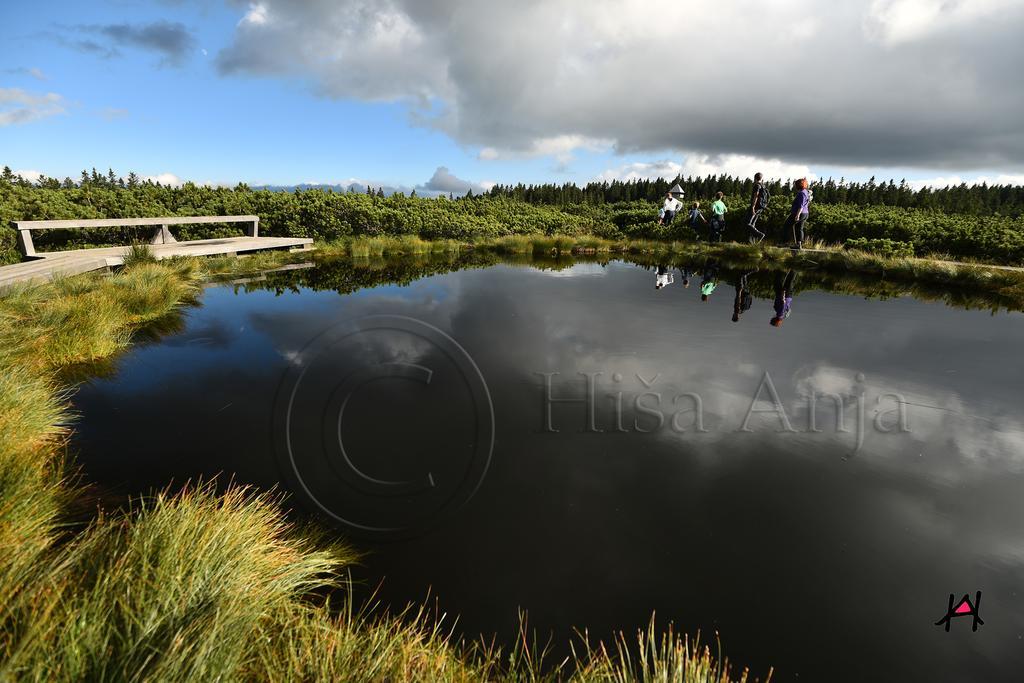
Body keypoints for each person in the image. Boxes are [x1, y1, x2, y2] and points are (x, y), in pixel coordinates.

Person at [784, 179, 811, 249]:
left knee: (786, 225)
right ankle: (798, 244)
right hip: (805, 213)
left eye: (795, 184)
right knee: (799, 228)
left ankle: (785, 242)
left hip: (799, 213)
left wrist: (797, 215)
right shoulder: (806, 192)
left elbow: (801, 205)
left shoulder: (801, 193)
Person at [747, 172, 769, 243]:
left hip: (756, 207)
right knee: (753, 224)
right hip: (761, 207)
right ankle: (751, 242)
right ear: (761, 178)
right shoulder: (763, 186)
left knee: (748, 223)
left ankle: (760, 234)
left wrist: (753, 207)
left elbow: (756, 196)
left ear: (755, 178)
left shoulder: (757, 186)